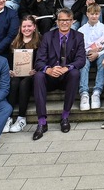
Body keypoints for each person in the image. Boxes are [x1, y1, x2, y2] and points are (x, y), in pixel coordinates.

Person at [31, 9, 86, 139]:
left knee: (75, 73)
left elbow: (81, 60)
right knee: (38, 76)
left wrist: (67, 67)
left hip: (66, 77)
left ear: (72, 21)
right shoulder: (48, 36)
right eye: (61, 20)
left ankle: (65, 116)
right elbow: (38, 61)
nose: (64, 23)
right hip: (50, 76)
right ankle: (42, 122)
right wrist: (48, 70)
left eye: (67, 20)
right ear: (57, 21)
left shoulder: (78, 36)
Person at [3, 16, 39, 133]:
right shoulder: (15, 42)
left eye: (29, 26)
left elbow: (42, 59)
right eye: (24, 26)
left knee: (24, 83)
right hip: (17, 74)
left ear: (34, 27)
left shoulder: (40, 41)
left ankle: (21, 118)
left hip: (32, 75)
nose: (26, 29)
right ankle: (7, 118)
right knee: (14, 82)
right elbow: (9, 60)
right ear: (20, 28)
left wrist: (36, 69)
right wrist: (10, 70)